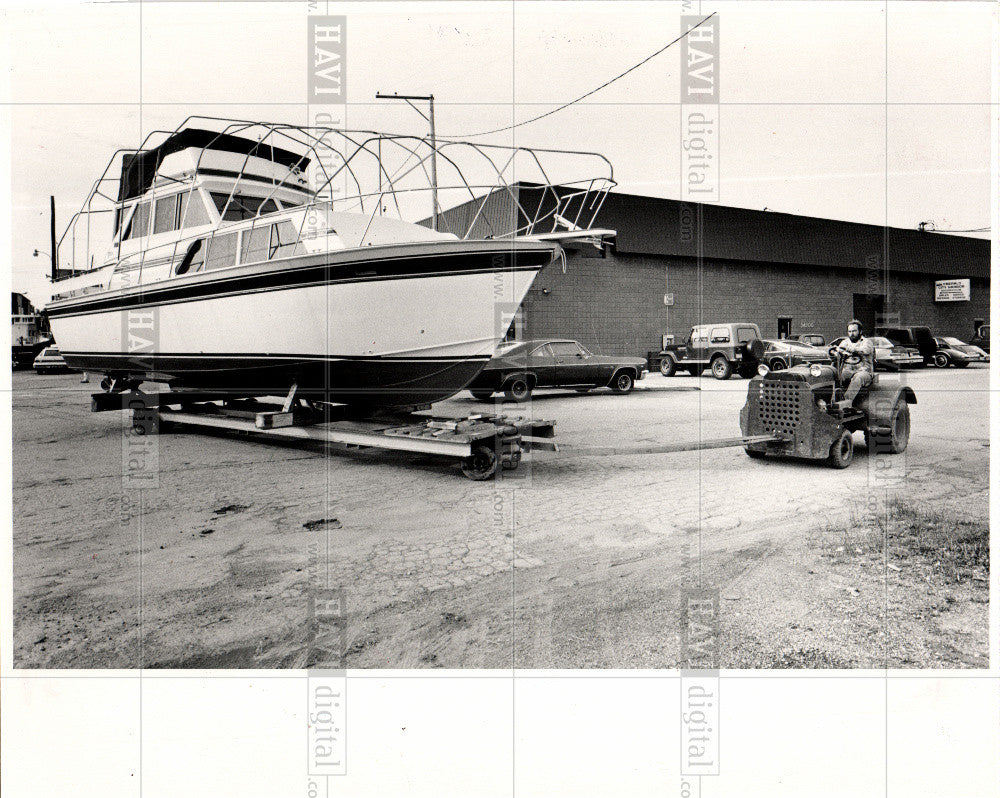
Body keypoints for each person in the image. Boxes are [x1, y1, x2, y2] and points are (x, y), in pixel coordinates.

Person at [832, 319, 874, 411]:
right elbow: (838, 351)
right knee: (836, 376)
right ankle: (832, 401)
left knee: (858, 378)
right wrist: (835, 353)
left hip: (864, 372)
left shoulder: (867, 342)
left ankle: (846, 402)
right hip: (848, 370)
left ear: (860, 331)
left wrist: (848, 349)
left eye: (854, 331)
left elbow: (865, 350)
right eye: (850, 331)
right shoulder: (845, 342)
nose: (852, 334)